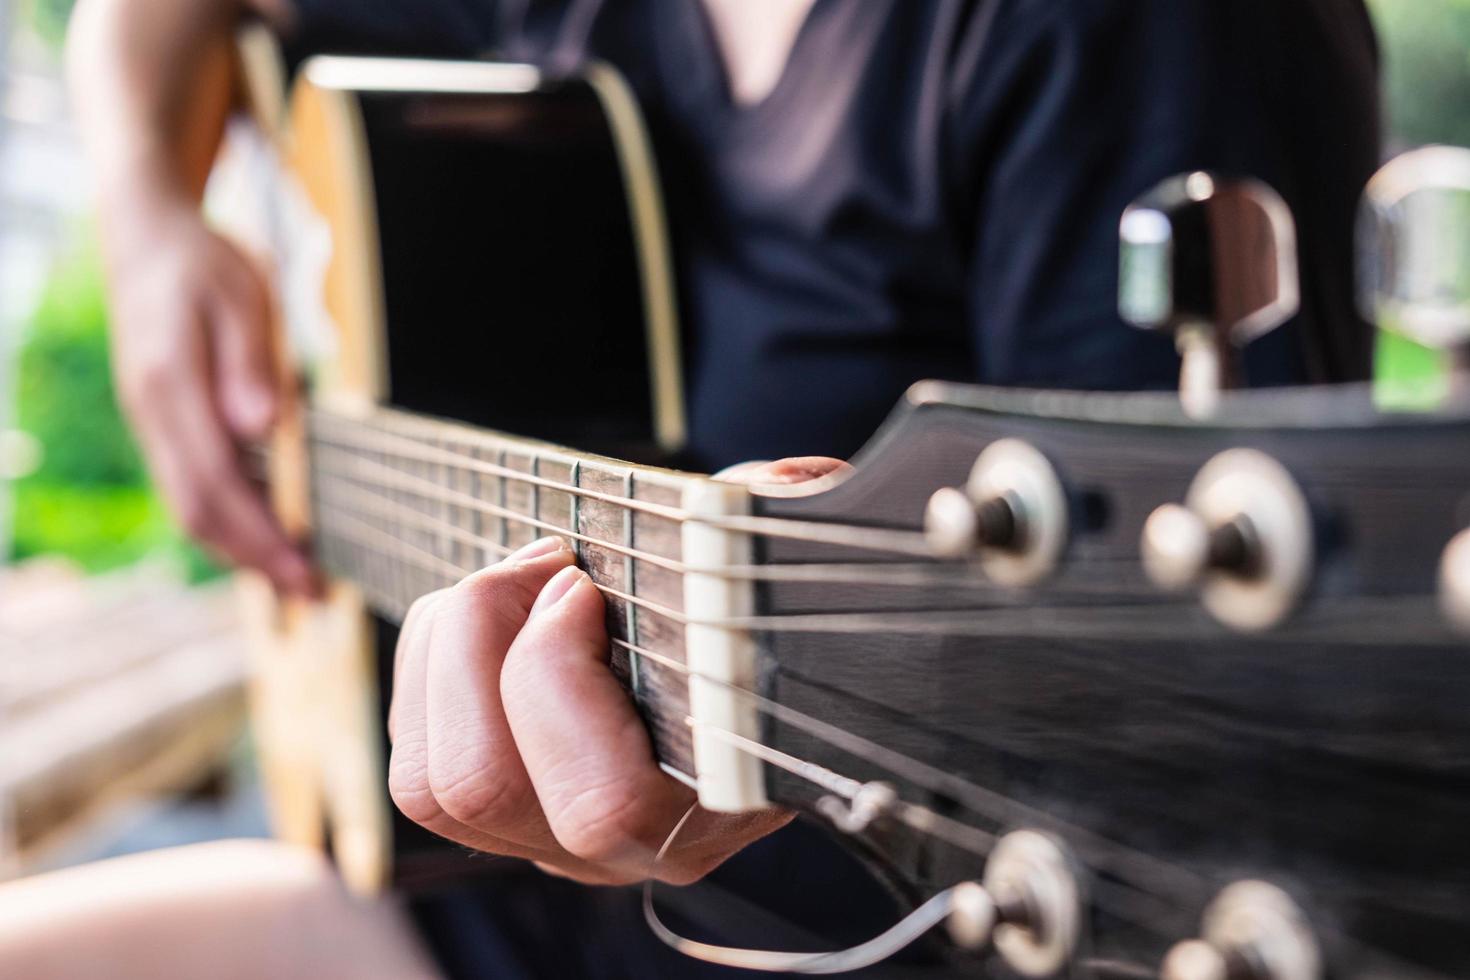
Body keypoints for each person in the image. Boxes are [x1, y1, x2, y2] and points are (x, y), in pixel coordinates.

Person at [4, 0, 1379, 977]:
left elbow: (1197, 739)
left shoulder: (1140, 32)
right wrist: (145, 222)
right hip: (513, 896)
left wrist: (756, 685)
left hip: (894, 943)